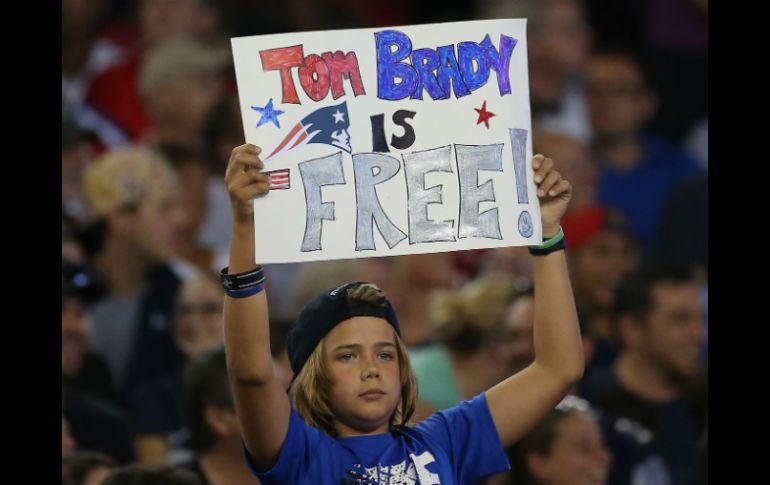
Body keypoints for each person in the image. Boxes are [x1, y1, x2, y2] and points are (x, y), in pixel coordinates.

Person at [222, 144, 583, 483]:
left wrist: (548, 234)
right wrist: (244, 226)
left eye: (385, 353)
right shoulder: (300, 454)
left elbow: (558, 368)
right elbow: (251, 374)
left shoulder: (446, 440)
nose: (372, 369)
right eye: (347, 356)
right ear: (314, 377)